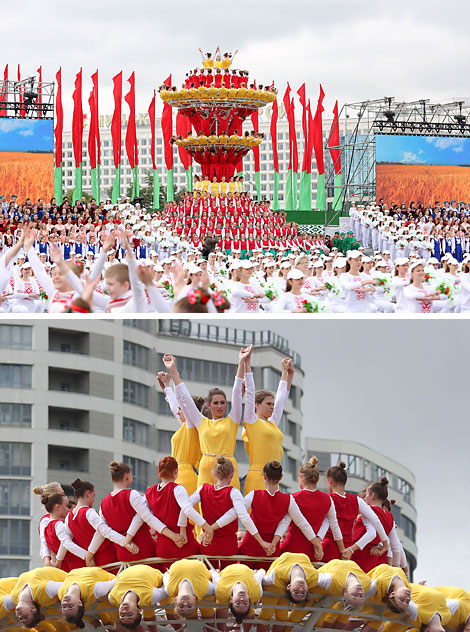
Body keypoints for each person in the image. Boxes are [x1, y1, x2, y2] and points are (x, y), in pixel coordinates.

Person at [165, 348, 251, 490]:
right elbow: (185, 399)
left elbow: (236, 392)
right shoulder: (201, 421)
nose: (219, 406)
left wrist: (241, 362)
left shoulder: (232, 420)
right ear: (209, 405)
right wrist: (173, 371)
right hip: (206, 469)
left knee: (231, 505)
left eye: (223, 402)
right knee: (204, 508)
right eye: (215, 403)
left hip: (228, 467)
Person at [189, 456, 273, 569]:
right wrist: (261, 541)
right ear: (232, 475)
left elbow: (186, 507)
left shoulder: (203, 489)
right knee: (229, 579)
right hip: (228, 546)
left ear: (214, 473)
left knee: (209, 579)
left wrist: (205, 527)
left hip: (208, 543)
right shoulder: (233, 492)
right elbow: (245, 518)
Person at [99, 461, 185, 562]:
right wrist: (173, 536)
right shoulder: (132, 495)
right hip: (144, 551)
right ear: (127, 476)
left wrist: (125, 542)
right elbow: (147, 518)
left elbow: (103, 530)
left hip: (123, 555)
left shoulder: (103, 503)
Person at [238, 461, 319, 569]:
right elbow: (303, 524)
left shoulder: (254, 495)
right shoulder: (288, 500)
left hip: (250, 546)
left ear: (264, 476)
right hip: (272, 550)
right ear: (281, 477)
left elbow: (240, 514)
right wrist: (317, 544)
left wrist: (261, 542)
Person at [144, 456, 214, 568]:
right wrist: (207, 527)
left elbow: (149, 518)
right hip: (185, 545)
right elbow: (187, 509)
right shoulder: (177, 489)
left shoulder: (149, 493)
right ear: (176, 472)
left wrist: (172, 536)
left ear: (159, 471)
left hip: (163, 548)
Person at [243, 352, 293, 494]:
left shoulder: (272, 424)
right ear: (256, 405)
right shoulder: (252, 422)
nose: (272, 407)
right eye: (268, 404)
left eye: (272, 403)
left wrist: (285, 373)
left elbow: (281, 400)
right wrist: (246, 364)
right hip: (257, 478)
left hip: (273, 480)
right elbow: (250, 393)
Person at [280, 457, 344, 562]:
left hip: (291, 550)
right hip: (313, 553)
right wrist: (342, 551)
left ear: (300, 477)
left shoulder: (293, 498)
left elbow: (284, 522)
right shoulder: (328, 499)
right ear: (317, 479)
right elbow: (334, 526)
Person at [322, 462, 389, 563]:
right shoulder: (356, 500)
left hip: (328, 548)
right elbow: (375, 520)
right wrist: (385, 543)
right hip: (347, 551)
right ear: (345, 482)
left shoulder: (327, 499)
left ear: (330, 481)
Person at [64, 478, 136, 569]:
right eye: (93, 496)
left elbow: (66, 543)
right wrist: (125, 542)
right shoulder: (89, 512)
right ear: (88, 493)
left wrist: (86, 555)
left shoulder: (68, 518)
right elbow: (104, 531)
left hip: (93, 562)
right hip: (109, 557)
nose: (94, 500)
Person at [157, 372, 202, 495]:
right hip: (175, 475)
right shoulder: (185, 427)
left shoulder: (193, 427)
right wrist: (166, 386)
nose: (178, 412)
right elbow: (174, 406)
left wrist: (172, 373)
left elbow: (180, 404)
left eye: (181, 410)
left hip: (187, 477)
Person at [258, 552, 323, 632]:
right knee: (269, 615)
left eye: (296, 592)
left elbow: (259, 579)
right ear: (307, 588)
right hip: (276, 588)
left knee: (276, 617)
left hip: (273, 587)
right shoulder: (314, 577)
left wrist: (258, 592)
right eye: (303, 593)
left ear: (289, 587)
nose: (301, 590)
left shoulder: (275, 575)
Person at [352, 477, 402, 572]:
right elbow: (396, 546)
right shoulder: (390, 517)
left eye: (366, 494)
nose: (365, 497)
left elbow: (370, 533)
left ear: (372, 495)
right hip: (372, 562)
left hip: (356, 556)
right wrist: (395, 568)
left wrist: (350, 549)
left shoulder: (367, 510)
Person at [107, 564, 163, 629]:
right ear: (138, 611)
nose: (124, 611)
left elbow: (111, 583)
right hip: (152, 571)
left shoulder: (112, 598)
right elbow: (166, 589)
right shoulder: (150, 597)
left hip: (127, 569)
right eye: (130, 615)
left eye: (122, 615)